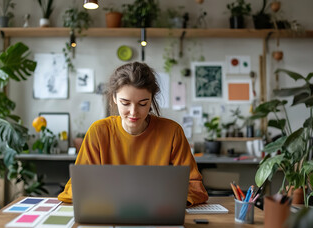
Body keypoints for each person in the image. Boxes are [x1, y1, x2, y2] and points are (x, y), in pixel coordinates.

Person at [58, 62, 208, 206]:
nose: (134, 112)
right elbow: (75, 188)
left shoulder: (172, 132)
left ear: (151, 100)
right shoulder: (98, 132)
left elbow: (194, 187)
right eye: (125, 103)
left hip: (159, 212)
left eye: (143, 103)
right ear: (114, 98)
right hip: (107, 212)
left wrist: (167, 200)